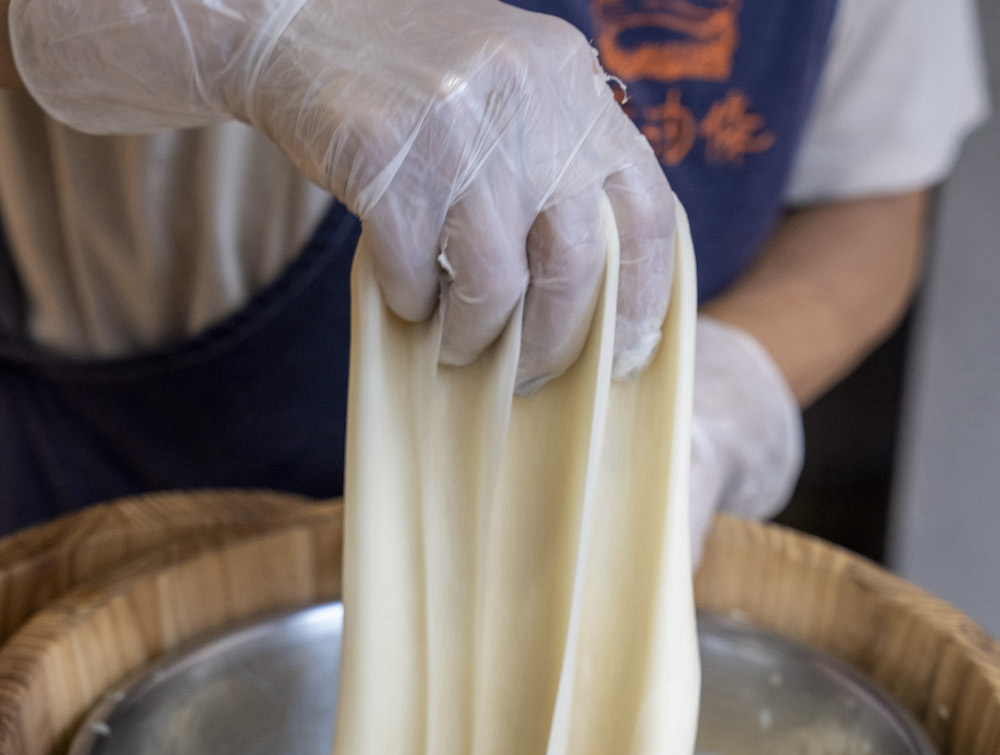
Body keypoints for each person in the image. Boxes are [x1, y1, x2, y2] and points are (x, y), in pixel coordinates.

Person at [0, 0, 989, 554]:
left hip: (580, 546)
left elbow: (870, 196)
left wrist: (718, 398)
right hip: (128, 529)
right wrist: (261, 31)